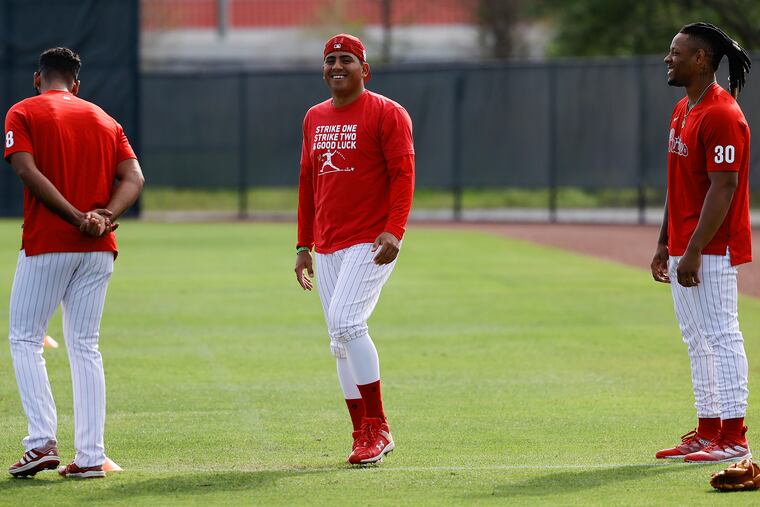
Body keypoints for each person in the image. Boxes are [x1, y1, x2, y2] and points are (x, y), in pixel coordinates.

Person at [4, 47, 144, 478]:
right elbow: (135, 177)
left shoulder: (23, 112)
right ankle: (89, 457)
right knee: (86, 346)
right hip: (98, 250)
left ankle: (41, 441)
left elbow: (26, 171)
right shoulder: (105, 118)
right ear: (77, 84)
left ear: (37, 78)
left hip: (49, 242)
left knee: (25, 339)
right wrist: (104, 217)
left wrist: (74, 216)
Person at [294, 34, 415, 465]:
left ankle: (377, 426)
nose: (336, 66)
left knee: (347, 321)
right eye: (330, 60)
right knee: (338, 341)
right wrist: (302, 244)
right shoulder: (314, 117)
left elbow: (403, 174)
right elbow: (308, 181)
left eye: (346, 60)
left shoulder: (388, 112)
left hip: (371, 238)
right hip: (326, 242)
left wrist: (395, 231)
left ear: (365, 70)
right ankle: (359, 431)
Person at [652, 23, 752, 463]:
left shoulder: (722, 114)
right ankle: (708, 428)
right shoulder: (682, 109)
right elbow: (679, 185)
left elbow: (723, 189)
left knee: (722, 334)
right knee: (697, 338)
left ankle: (734, 436)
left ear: (701, 60)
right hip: (683, 243)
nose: (667, 59)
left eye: (677, 52)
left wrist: (692, 249)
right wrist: (664, 241)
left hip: (711, 247)